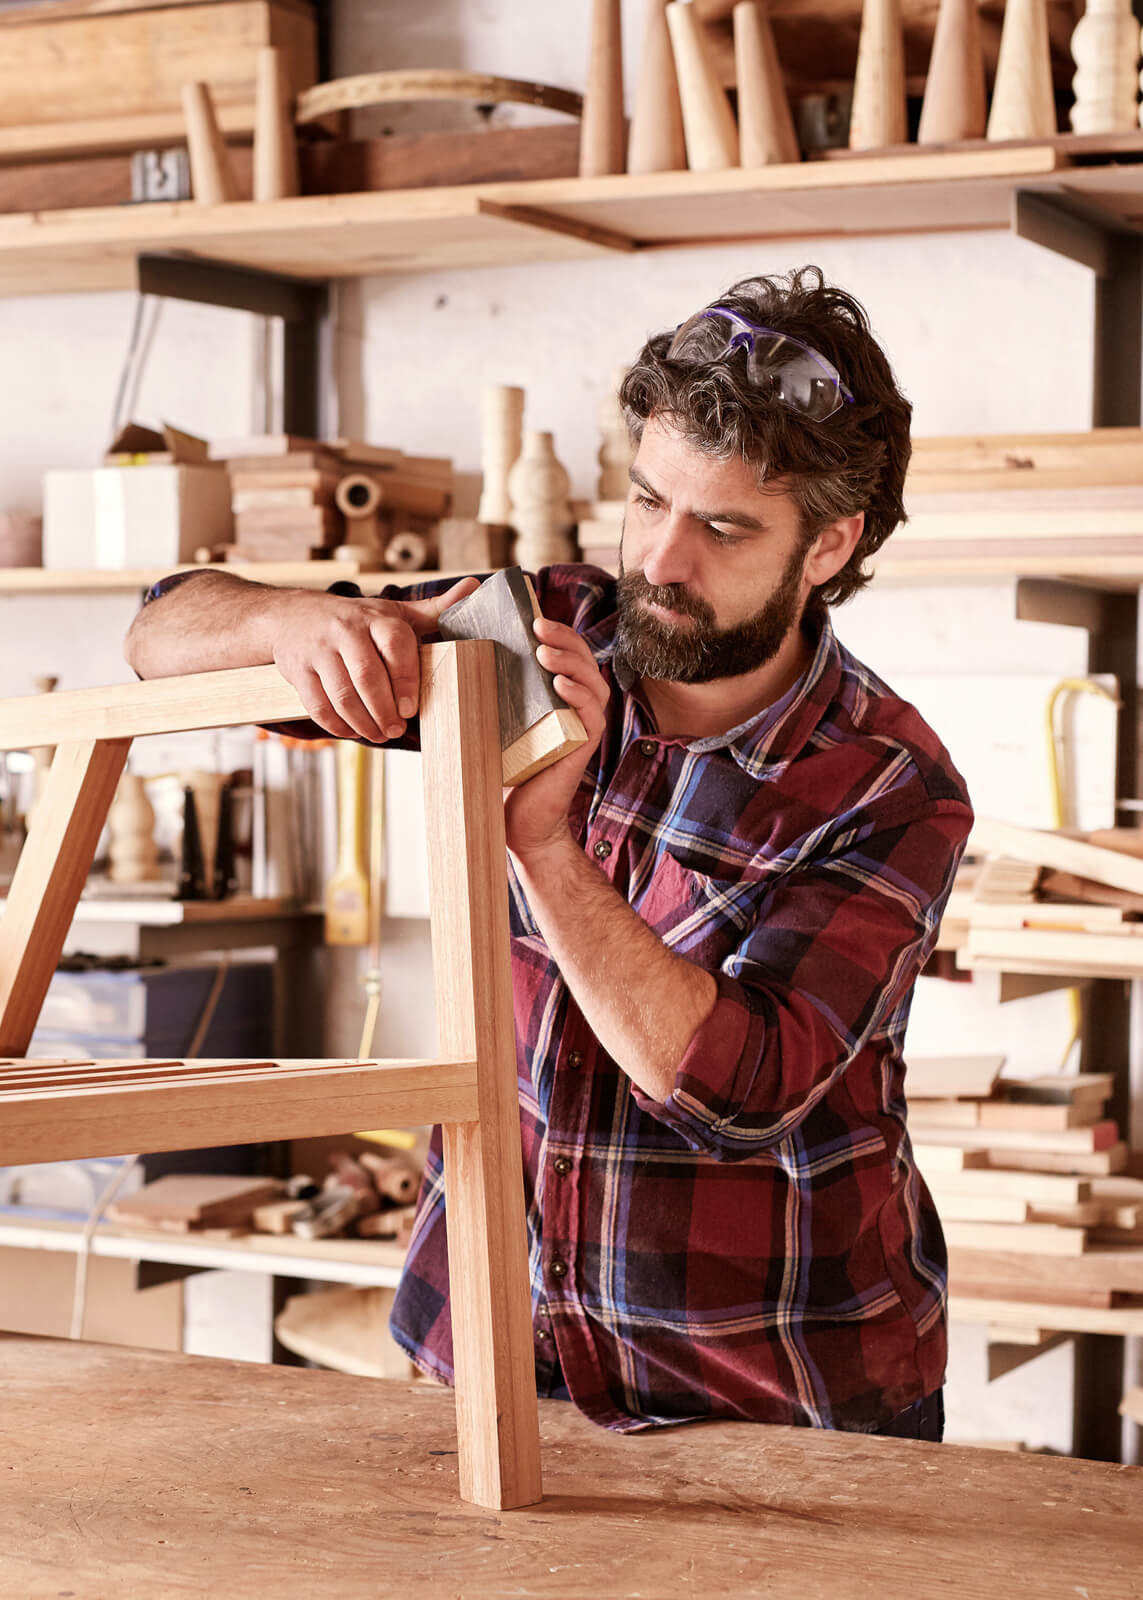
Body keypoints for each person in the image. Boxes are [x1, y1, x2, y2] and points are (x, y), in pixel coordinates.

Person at [125, 265, 972, 1441]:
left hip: (771, 1401)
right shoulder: (532, 633)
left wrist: (542, 845)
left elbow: (736, 1089)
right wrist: (290, 622)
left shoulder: (889, 784)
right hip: (491, 1364)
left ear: (829, 544)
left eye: (723, 526)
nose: (662, 561)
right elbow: (160, 632)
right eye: (647, 499)